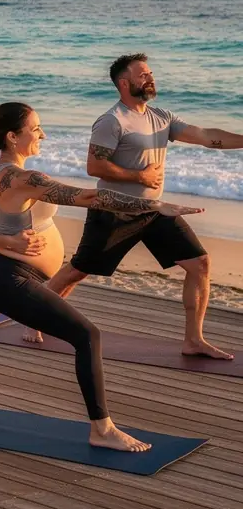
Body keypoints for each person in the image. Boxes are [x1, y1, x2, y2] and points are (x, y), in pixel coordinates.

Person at [0, 101, 203, 452]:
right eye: (35, 129)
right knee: (87, 335)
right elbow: (88, 196)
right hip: (8, 277)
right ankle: (102, 429)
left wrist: (3, 240)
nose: (42, 134)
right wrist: (154, 205)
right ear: (12, 136)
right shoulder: (28, 178)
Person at [47, 54, 243, 360]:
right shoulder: (111, 121)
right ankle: (31, 315)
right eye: (143, 75)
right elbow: (94, 165)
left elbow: (205, 136)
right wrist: (140, 175)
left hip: (154, 210)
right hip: (113, 212)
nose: (150, 78)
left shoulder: (161, 117)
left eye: (150, 73)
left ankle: (193, 340)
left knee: (200, 263)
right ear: (124, 83)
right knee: (77, 272)